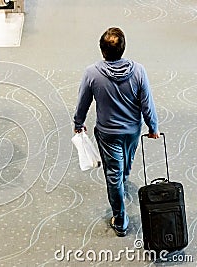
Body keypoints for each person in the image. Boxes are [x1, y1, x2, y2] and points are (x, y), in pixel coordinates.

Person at [73, 27, 160, 237]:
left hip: (108, 133)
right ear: (123, 49)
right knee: (127, 160)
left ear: (102, 50)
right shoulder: (138, 71)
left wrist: (78, 123)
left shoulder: (92, 73)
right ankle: (124, 176)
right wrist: (153, 127)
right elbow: (146, 103)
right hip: (132, 130)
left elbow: (83, 102)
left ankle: (120, 220)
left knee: (113, 174)